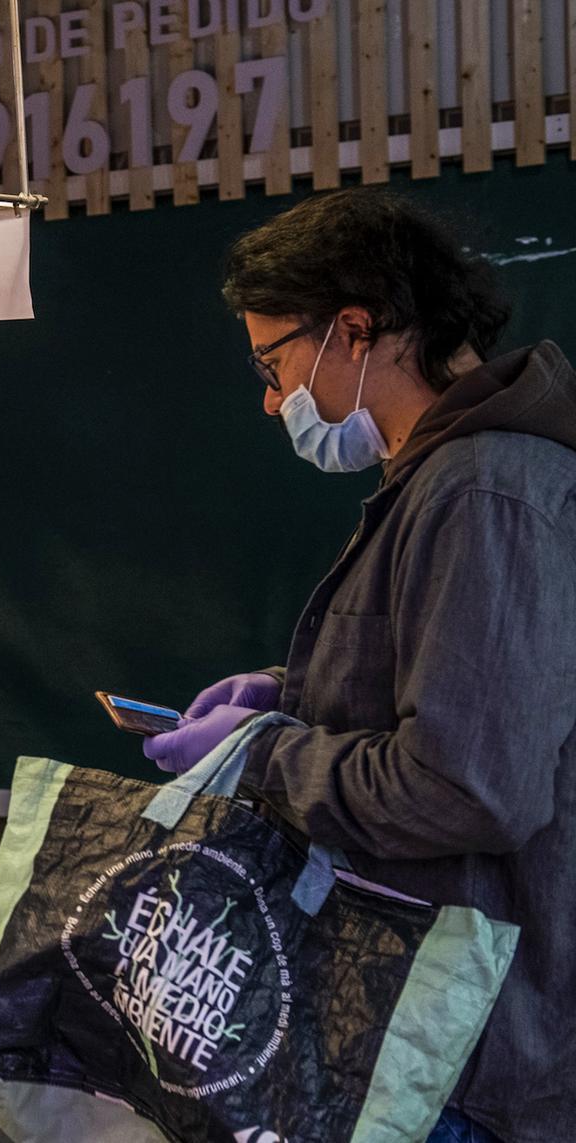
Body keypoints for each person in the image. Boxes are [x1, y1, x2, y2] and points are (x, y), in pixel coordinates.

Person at [145, 188, 573, 1143]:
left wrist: (263, 755)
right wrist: (292, 694)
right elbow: (438, 685)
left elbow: (466, 787)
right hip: (421, 1029)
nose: (270, 400)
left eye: (273, 362)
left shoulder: (488, 491)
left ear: (354, 330)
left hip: (469, 1062)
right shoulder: (438, 476)